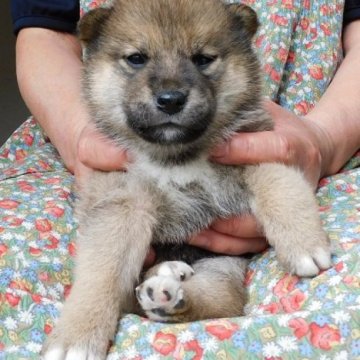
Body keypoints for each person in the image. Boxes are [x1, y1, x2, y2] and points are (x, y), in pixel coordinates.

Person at [2, 0, 359, 358]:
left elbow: (267, 174)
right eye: (137, 59)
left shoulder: (245, 129)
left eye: (203, 60)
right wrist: (87, 318)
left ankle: (192, 301)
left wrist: (323, 142)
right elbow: (43, 31)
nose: (170, 91)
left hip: (324, 142)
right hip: (75, 157)